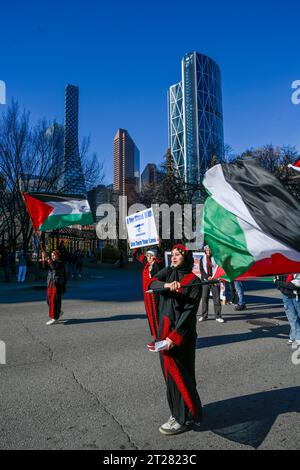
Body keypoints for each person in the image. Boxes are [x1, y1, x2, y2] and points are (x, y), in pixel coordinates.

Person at [148, 244, 202, 435]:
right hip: (164, 333)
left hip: (180, 337)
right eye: (174, 254)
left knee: (181, 375)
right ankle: (178, 412)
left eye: (179, 254)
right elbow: (151, 283)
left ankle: (182, 418)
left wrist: (173, 338)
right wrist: (166, 286)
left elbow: (188, 315)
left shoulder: (194, 281)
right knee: (169, 377)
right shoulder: (168, 272)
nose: (174, 257)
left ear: (186, 258)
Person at [137, 248, 162, 342]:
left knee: (157, 316)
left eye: (151, 256)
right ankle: (156, 337)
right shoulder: (147, 264)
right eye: (148, 256)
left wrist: (159, 245)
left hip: (155, 296)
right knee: (151, 316)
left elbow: (161, 258)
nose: (149, 258)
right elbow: (138, 256)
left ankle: (160, 338)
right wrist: (133, 244)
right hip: (147, 296)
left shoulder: (157, 265)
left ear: (155, 257)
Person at [198, 245, 224, 323]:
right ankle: (204, 315)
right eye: (207, 250)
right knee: (204, 298)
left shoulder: (216, 258)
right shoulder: (202, 259)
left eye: (210, 250)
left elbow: (219, 269)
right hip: (205, 280)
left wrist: (214, 277)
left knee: (216, 298)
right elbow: (201, 270)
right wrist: (207, 277)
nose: (208, 252)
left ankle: (218, 316)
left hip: (215, 280)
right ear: (205, 251)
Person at [42, 249, 66, 326]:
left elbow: (53, 267)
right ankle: (58, 312)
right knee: (48, 300)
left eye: (54, 255)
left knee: (54, 301)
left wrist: (48, 259)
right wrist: (43, 258)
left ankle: (55, 318)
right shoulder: (52, 262)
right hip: (50, 283)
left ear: (58, 256)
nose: (53, 256)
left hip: (57, 284)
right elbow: (45, 266)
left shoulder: (60, 263)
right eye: (52, 255)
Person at [275, 274, 300, 346]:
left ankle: (296, 337)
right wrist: (280, 285)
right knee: (292, 318)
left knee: (298, 317)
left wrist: (278, 283)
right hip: (286, 296)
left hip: (297, 296)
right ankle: (295, 337)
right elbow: (277, 280)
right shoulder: (284, 269)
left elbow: (295, 285)